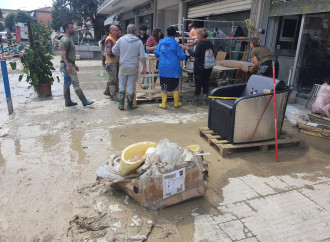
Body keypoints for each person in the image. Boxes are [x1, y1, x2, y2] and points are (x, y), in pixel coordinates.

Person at [112, 24, 146, 110]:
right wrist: (144, 68)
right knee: (131, 85)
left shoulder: (121, 40)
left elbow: (113, 50)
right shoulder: (139, 42)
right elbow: (142, 56)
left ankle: (121, 104)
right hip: (133, 66)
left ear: (127, 31)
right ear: (135, 32)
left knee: (122, 85)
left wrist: (121, 54)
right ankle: (130, 105)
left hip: (123, 65)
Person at [60, 22, 94, 107]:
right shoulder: (65, 40)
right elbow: (63, 54)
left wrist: (73, 64)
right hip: (67, 64)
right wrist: (68, 65)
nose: (73, 29)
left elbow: (67, 54)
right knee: (75, 83)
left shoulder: (67, 39)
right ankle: (84, 101)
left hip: (67, 64)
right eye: (71, 28)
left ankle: (67, 101)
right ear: (67, 29)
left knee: (66, 83)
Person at [154, 26, 186, 109]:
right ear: (175, 34)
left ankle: (164, 104)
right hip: (174, 68)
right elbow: (182, 56)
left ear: (167, 33)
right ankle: (176, 103)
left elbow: (156, 54)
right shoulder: (175, 43)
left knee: (164, 86)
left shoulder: (161, 42)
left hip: (163, 67)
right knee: (175, 86)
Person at [182, 28, 214, 105]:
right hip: (208, 66)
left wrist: (187, 49)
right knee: (206, 81)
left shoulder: (200, 44)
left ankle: (196, 99)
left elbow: (195, 54)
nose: (196, 36)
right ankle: (204, 99)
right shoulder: (210, 43)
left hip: (199, 66)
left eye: (197, 35)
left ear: (200, 35)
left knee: (198, 82)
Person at [103, 25, 120, 100]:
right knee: (113, 79)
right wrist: (119, 54)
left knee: (113, 78)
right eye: (116, 30)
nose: (117, 32)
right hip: (111, 62)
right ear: (111, 31)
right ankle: (113, 95)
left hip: (114, 62)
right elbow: (109, 52)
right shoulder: (109, 39)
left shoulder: (114, 39)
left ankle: (107, 92)